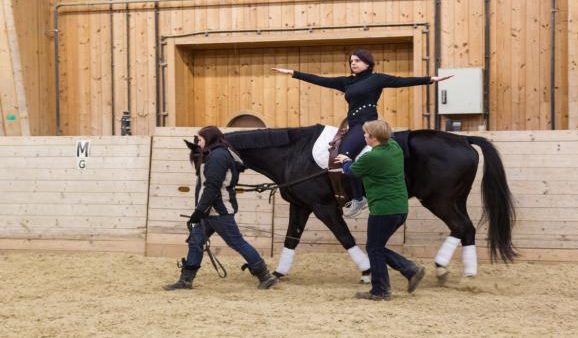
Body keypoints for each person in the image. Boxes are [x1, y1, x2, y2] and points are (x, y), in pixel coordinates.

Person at [273, 49, 452, 217]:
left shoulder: (377, 79)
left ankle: (359, 198)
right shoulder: (347, 82)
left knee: (343, 155)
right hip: (354, 126)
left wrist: (431, 79)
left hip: (367, 125)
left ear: (368, 62)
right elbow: (321, 80)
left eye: (357, 60)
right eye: (351, 61)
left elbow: (402, 81)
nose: (353, 63)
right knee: (340, 155)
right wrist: (294, 73)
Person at [164, 126, 278, 290]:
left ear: (208, 138)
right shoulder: (214, 154)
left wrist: (199, 211)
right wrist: (201, 211)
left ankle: (265, 275)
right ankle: (186, 280)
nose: (198, 142)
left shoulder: (217, 156)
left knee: (236, 242)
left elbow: (212, 187)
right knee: (196, 241)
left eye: (200, 139)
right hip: (209, 210)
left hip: (217, 210)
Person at [335, 120, 424, 301]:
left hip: (384, 210)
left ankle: (382, 289)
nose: (364, 136)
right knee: (376, 247)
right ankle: (408, 271)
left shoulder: (372, 158)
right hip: (399, 208)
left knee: (374, 248)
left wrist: (345, 160)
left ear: (374, 138)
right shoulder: (394, 148)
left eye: (366, 134)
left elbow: (351, 171)